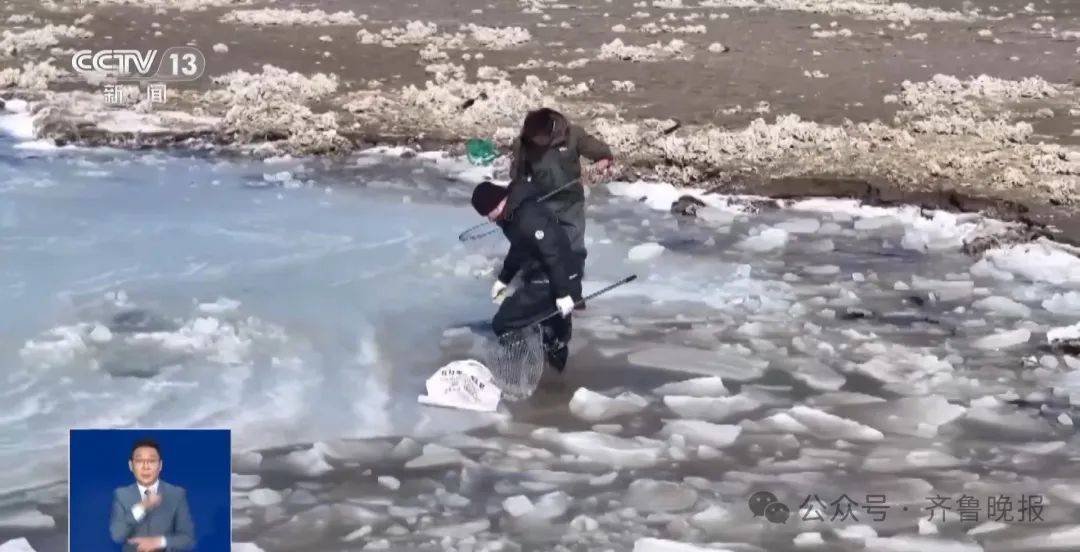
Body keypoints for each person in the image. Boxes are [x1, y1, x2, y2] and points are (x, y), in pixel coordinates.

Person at [472, 180, 581, 371]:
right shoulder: (513, 214)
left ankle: (522, 364)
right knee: (532, 317)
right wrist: (503, 278)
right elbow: (519, 249)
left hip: (556, 277)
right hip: (547, 274)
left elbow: (552, 254)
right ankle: (553, 342)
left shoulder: (527, 217)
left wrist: (563, 293)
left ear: (496, 204)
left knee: (503, 323)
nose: (489, 220)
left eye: (488, 214)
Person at [506, 108, 614, 303]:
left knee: (573, 249)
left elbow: (602, 152)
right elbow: (517, 177)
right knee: (539, 247)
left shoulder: (573, 135)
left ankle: (573, 294)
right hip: (540, 203)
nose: (536, 144)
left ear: (551, 131)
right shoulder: (522, 144)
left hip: (570, 203)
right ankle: (536, 291)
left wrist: (603, 161)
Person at [109, 439, 195, 552]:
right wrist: (142, 507)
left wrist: (159, 542)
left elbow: (188, 539)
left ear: (160, 465)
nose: (146, 466)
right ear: (131, 465)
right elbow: (117, 536)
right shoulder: (121, 495)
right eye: (139, 461)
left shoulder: (176, 494)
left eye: (152, 461)